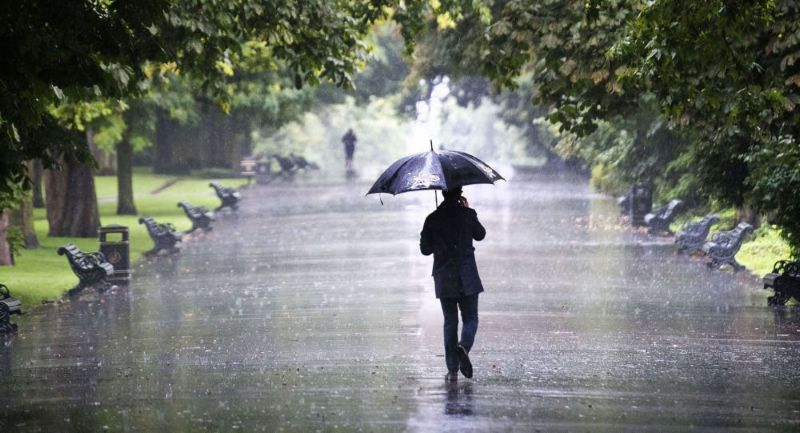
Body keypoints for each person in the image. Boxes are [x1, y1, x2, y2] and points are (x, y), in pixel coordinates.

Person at [419, 187, 486, 382]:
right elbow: (480, 234)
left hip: (444, 277)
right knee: (471, 317)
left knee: (450, 322)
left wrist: (434, 231)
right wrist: (468, 211)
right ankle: (463, 346)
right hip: (468, 276)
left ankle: (453, 370)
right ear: (460, 194)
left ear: (442, 193)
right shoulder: (467, 214)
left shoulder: (432, 218)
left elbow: (425, 249)